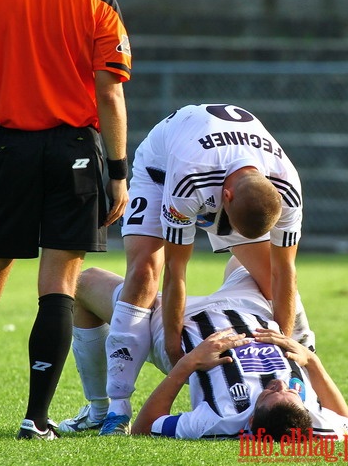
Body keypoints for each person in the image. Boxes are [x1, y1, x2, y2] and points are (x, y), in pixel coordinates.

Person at [0, 0, 131, 440]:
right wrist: (118, 173)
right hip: (75, 155)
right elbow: (110, 95)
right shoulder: (98, 1)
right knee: (58, 282)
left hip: (9, 149)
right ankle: (35, 419)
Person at [100, 103, 312, 434]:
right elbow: (176, 269)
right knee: (144, 272)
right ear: (225, 198)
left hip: (228, 173)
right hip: (163, 168)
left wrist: (284, 342)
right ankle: (116, 406)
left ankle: (305, 358)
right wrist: (174, 347)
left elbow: (284, 271)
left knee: (272, 279)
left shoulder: (287, 188)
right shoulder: (190, 179)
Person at [58, 257, 348, 441]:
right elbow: (347, 424)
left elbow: (145, 428)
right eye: (290, 391)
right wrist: (311, 361)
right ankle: (303, 335)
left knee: (85, 281)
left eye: (268, 393)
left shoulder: (221, 422)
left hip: (177, 326)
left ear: (251, 420)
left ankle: (99, 410)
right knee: (258, 254)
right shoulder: (315, 427)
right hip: (251, 309)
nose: (279, 384)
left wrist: (188, 364)